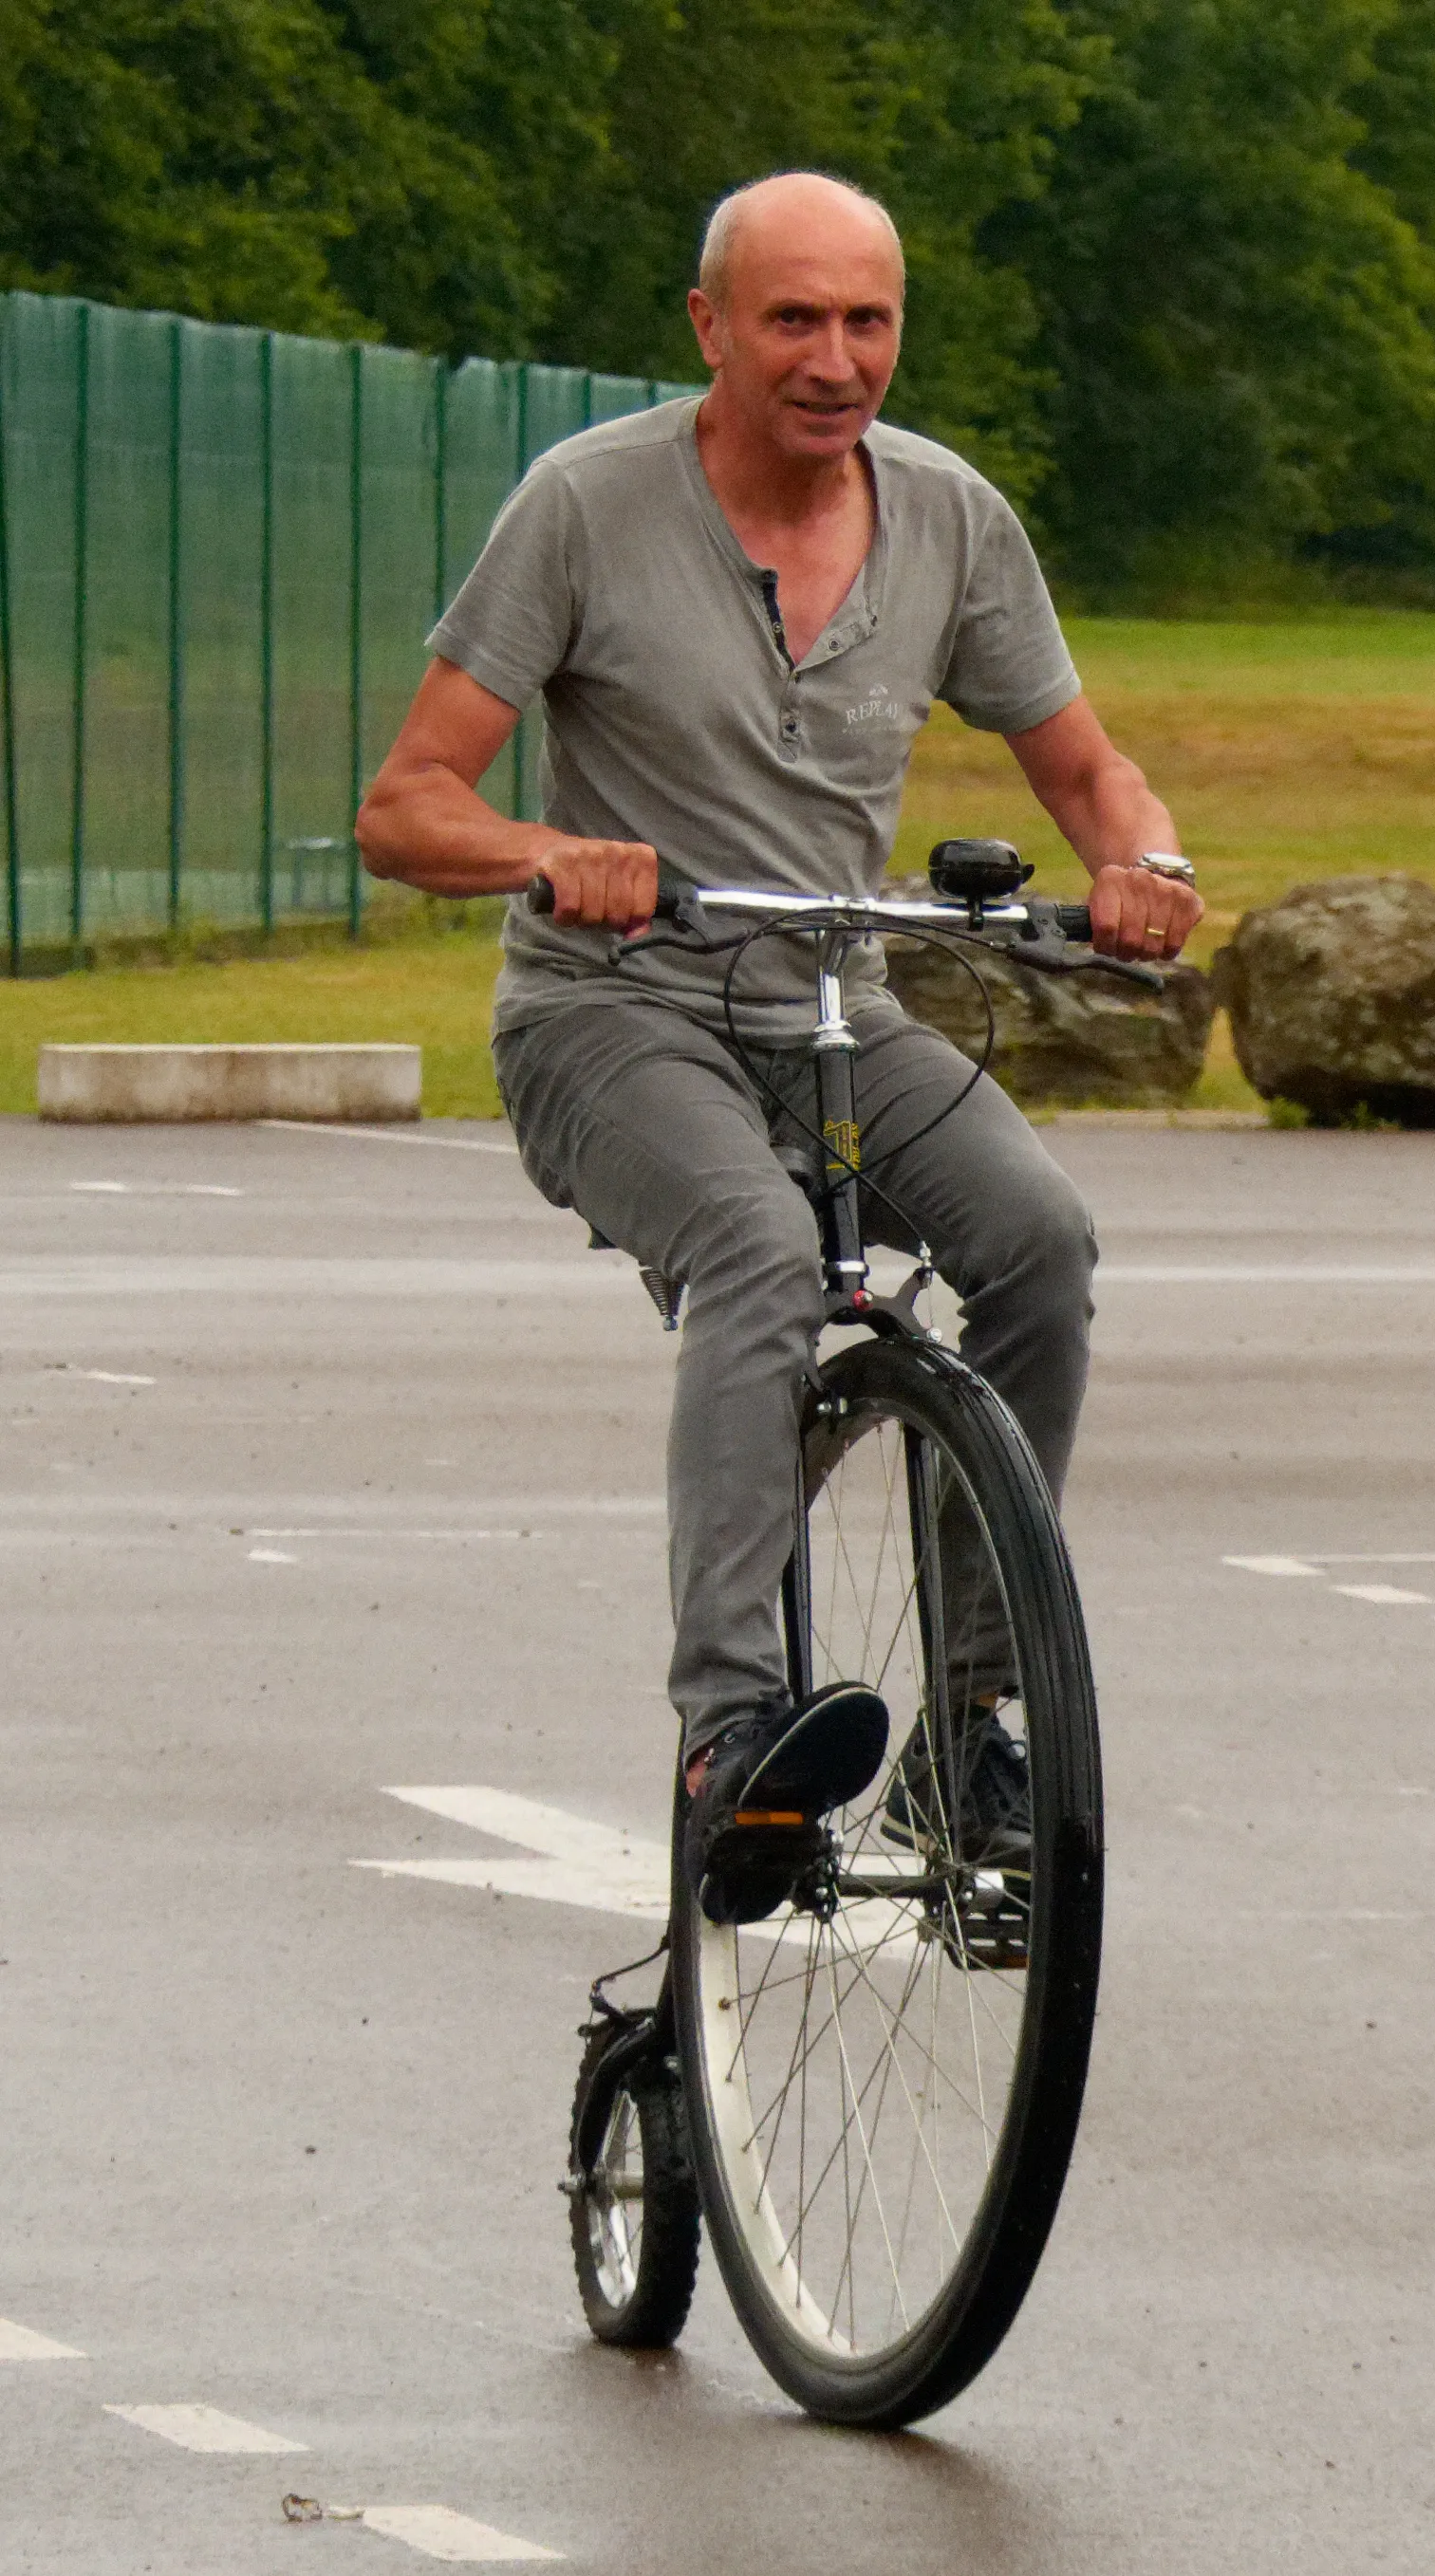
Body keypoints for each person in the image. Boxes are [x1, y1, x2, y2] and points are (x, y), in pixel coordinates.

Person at [356, 170, 1199, 1922]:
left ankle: (963, 1730)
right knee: (755, 1251)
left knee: (1038, 1239)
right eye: (795, 319)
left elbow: (1085, 767)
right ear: (711, 327)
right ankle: (731, 1728)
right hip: (615, 1011)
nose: (834, 359)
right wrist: (547, 853)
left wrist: (1143, 854)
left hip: (838, 1000)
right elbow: (405, 806)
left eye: (867, 321)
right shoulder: (585, 505)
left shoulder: (952, 519)